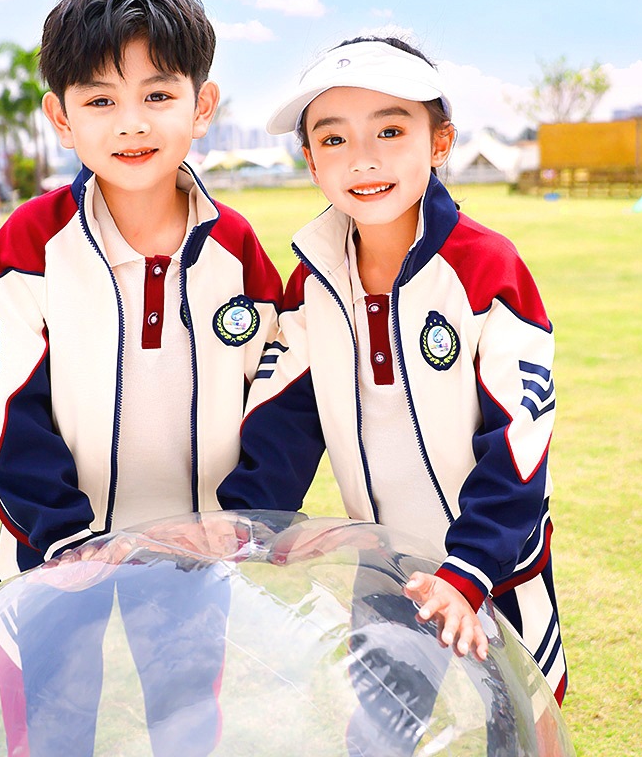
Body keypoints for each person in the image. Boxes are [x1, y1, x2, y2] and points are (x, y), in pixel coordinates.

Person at [0, 0, 282, 755]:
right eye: (101, 100)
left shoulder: (239, 250)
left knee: (186, 731)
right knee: (51, 733)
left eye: (157, 94)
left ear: (202, 106)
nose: (132, 123)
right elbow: (8, 407)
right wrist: (63, 540)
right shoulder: (30, 245)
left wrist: (240, 517)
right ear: (61, 118)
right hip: (52, 557)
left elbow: (280, 402)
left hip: (191, 559)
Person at [217, 37, 567, 722]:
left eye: (390, 129)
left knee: (521, 729)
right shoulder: (312, 281)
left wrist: (469, 574)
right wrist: (240, 532)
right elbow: (283, 430)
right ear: (309, 157)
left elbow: (520, 444)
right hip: (386, 571)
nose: (364, 158)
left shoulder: (487, 269)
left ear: (440, 142)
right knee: (377, 731)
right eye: (334, 138)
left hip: (496, 568)